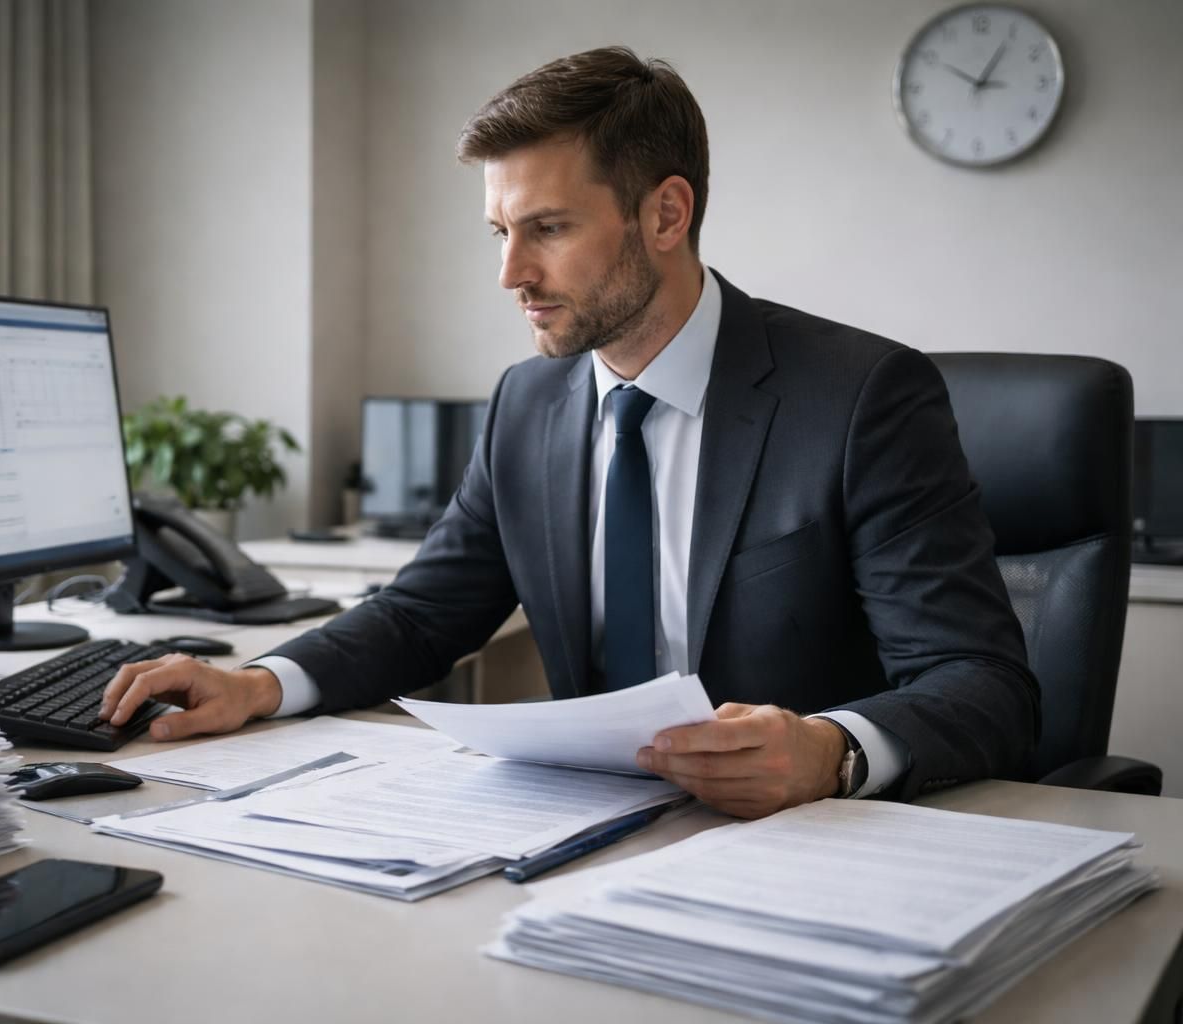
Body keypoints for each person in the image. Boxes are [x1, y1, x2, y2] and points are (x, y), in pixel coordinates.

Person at [101, 46, 1039, 819]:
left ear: (666, 213)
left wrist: (831, 751)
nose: (511, 273)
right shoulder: (528, 404)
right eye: (499, 232)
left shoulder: (860, 396)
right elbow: (422, 615)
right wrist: (259, 683)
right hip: (584, 828)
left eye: (547, 228)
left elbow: (981, 681)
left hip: (802, 840)